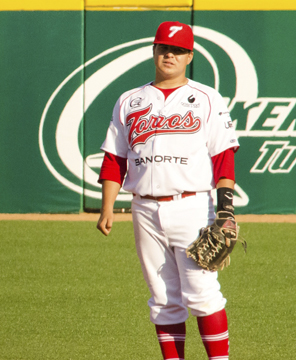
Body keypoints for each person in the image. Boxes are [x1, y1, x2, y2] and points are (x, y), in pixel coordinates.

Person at [97, 21, 239, 360]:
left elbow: (223, 157)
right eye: (164, 48)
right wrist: (106, 207)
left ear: (189, 56)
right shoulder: (130, 100)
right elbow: (115, 158)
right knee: (163, 299)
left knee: (202, 294)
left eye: (177, 50)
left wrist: (226, 210)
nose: (169, 55)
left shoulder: (206, 98)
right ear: (154, 51)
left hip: (191, 206)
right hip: (144, 209)